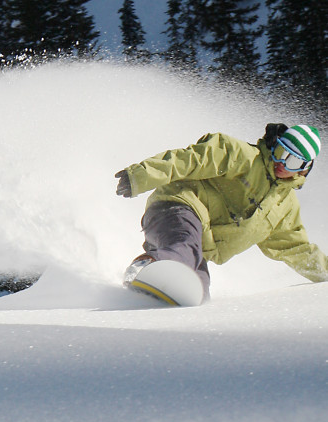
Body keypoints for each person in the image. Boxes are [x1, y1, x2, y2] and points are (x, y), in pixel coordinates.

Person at [115, 124, 328, 301]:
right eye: (281, 153)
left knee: (197, 291)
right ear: (274, 146)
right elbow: (191, 159)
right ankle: (147, 267)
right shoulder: (243, 156)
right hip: (177, 208)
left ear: (304, 168)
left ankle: (145, 304)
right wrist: (140, 176)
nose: (282, 164)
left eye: (293, 161)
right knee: (184, 246)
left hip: (197, 246)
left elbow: (296, 248)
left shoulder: (285, 207)